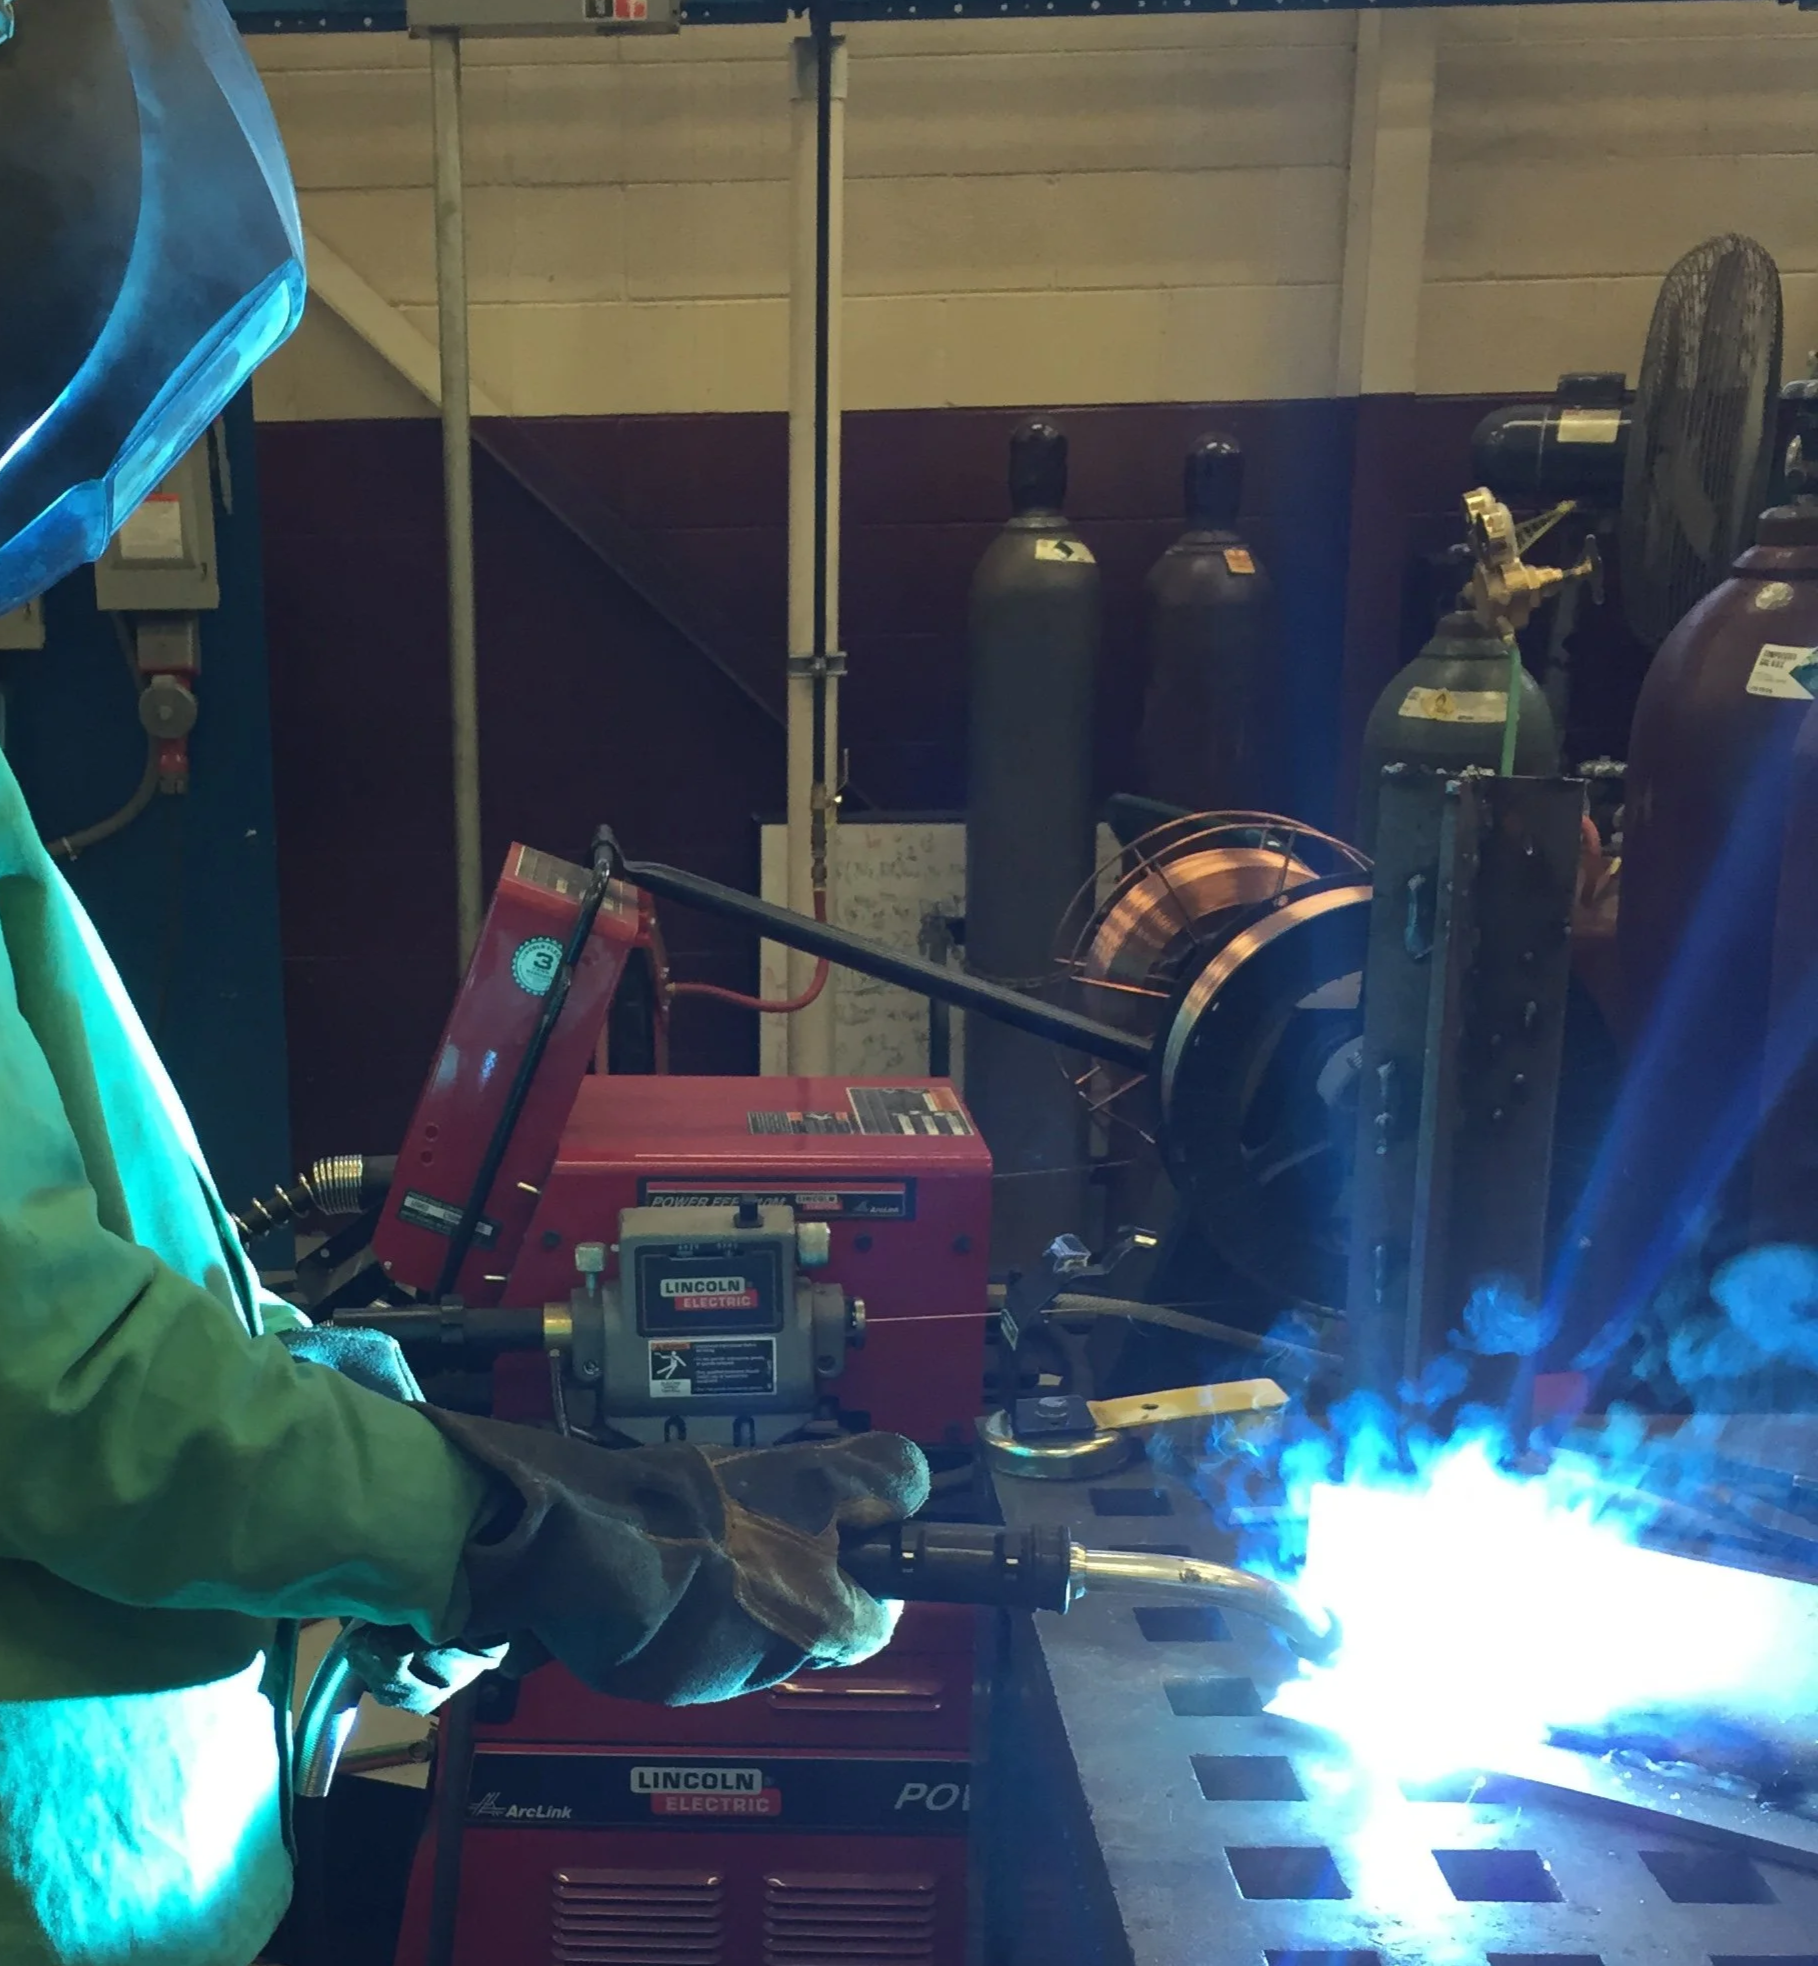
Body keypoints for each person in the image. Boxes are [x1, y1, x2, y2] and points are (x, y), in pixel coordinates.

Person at [0, 7, 928, 1963]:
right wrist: (492, 1518)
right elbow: (55, 1381)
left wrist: (467, 1465)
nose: (42, 587)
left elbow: (108, 1243)